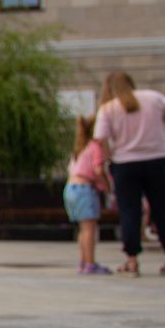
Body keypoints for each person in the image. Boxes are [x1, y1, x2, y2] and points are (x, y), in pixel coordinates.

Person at [93, 71, 165, 277]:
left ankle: (132, 260)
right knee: (163, 210)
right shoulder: (154, 97)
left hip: (125, 163)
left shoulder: (108, 108)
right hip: (157, 160)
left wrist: (109, 157)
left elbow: (100, 138)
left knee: (129, 211)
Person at [64, 116, 113, 275]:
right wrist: (107, 184)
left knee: (82, 229)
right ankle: (90, 263)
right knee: (89, 229)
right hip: (84, 188)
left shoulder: (79, 148)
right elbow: (98, 170)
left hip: (71, 188)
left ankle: (84, 262)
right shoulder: (94, 147)